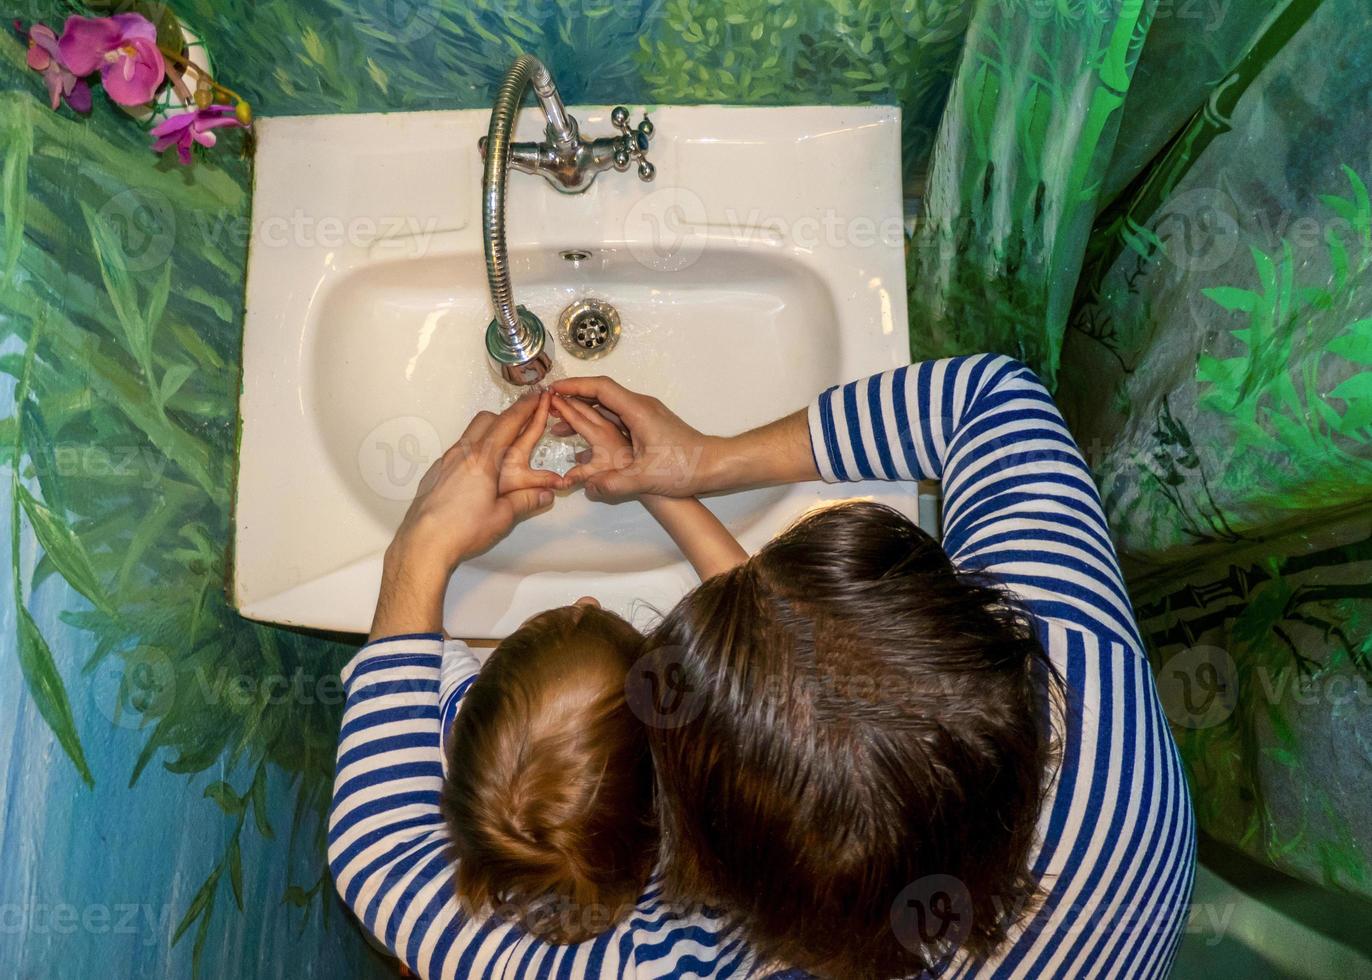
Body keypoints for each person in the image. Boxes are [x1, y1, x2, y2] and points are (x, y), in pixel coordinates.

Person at [329, 353, 1195, 978]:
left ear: (705, 881)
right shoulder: (1076, 656)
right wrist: (701, 465)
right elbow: (987, 400)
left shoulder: (693, 961)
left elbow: (383, 863)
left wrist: (421, 553)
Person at [328, 390, 754, 976]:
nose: (583, 598)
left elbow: (378, 855)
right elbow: (786, 683)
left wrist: (424, 539)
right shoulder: (745, 882)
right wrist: (659, 483)